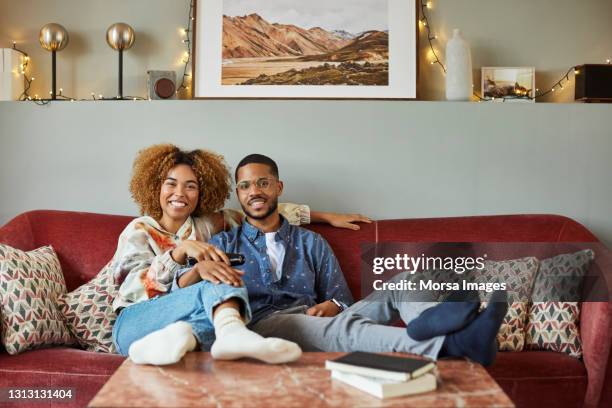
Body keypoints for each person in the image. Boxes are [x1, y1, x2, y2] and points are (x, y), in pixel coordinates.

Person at [185, 154, 508, 365]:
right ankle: (450, 344)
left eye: (262, 182)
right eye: (244, 186)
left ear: (279, 187)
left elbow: (342, 298)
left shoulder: (311, 242)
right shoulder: (223, 242)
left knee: (405, 281)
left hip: (318, 318)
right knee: (341, 327)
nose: (254, 190)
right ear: (238, 195)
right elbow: (204, 293)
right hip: (266, 323)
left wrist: (334, 306)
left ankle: (431, 318)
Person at [110, 144, 371, 365]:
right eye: (171, 184)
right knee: (215, 276)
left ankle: (183, 338)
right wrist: (180, 253)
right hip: (136, 320)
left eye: (190, 186)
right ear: (155, 187)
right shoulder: (138, 230)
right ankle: (230, 331)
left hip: (181, 323)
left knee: (215, 283)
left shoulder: (209, 225)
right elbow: (134, 291)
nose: (180, 193)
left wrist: (327, 216)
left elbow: (263, 210)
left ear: (200, 193)